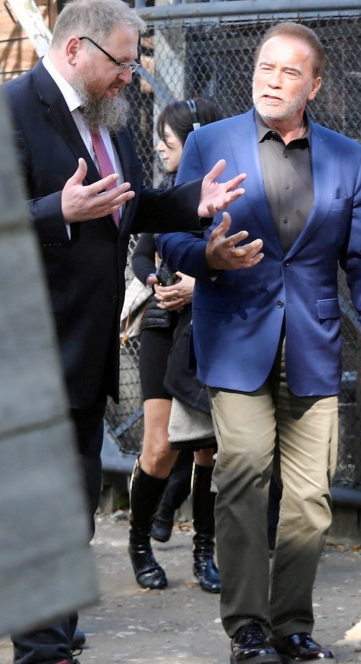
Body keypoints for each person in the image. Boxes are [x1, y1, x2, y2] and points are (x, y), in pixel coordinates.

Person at [1, 1, 249, 664]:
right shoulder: (11, 109)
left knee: (70, 507)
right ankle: (44, 661)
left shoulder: (108, 119)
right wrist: (57, 210)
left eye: (137, 60)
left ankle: (50, 645)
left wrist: (188, 202)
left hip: (86, 350)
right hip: (28, 352)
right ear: (77, 49)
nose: (132, 76)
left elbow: (128, 201)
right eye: (123, 60)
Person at [158, 21, 361, 664]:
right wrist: (205, 254)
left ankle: (292, 627)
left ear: (314, 85)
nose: (272, 80)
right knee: (241, 481)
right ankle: (248, 631)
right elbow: (170, 239)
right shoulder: (209, 142)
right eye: (265, 67)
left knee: (311, 502)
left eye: (290, 72)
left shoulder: (346, 158)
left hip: (315, 346)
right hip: (234, 341)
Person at [126, 98, 223, 595]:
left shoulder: (228, 194)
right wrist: (156, 280)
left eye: (170, 142)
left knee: (208, 447)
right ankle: (139, 541)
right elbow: (144, 251)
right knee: (160, 446)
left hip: (209, 325)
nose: (163, 150)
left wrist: (198, 283)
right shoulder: (165, 196)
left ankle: (205, 552)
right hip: (164, 324)